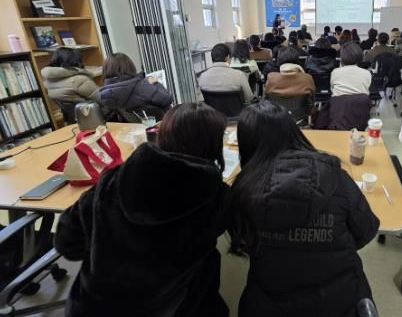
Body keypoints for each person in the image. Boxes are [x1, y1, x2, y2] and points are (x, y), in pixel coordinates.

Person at [55, 103, 230, 317]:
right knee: (210, 261)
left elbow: (66, 243)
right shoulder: (217, 197)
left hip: (93, 308)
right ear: (213, 145)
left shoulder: (113, 179)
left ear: (163, 135)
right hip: (171, 308)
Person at [227, 101, 379, 317]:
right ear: (292, 132)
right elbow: (367, 230)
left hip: (270, 302)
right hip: (340, 301)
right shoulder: (335, 176)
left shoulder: (242, 191)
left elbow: (242, 241)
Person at [99, 53, 172, 116]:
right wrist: (155, 83)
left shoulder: (105, 95)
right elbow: (167, 99)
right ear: (129, 67)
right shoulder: (142, 86)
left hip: (133, 126)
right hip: (159, 124)